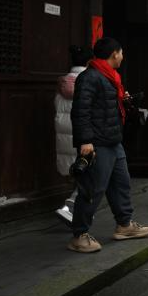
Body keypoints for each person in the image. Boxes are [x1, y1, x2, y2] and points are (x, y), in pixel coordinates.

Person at [68, 37, 148, 253]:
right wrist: (85, 141)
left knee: (121, 183)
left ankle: (124, 225)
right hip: (97, 142)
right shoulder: (90, 77)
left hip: (114, 140)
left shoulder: (110, 76)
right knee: (93, 189)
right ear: (114, 54)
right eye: (121, 53)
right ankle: (79, 235)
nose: (122, 57)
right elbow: (80, 111)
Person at [55, 45, 92, 224]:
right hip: (84, 137)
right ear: (89, 62)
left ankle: (78, 210)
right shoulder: (88, 82)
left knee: (81, 174)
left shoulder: (63, 84)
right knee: (90, 173)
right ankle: (71, 207)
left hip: (65, 137)